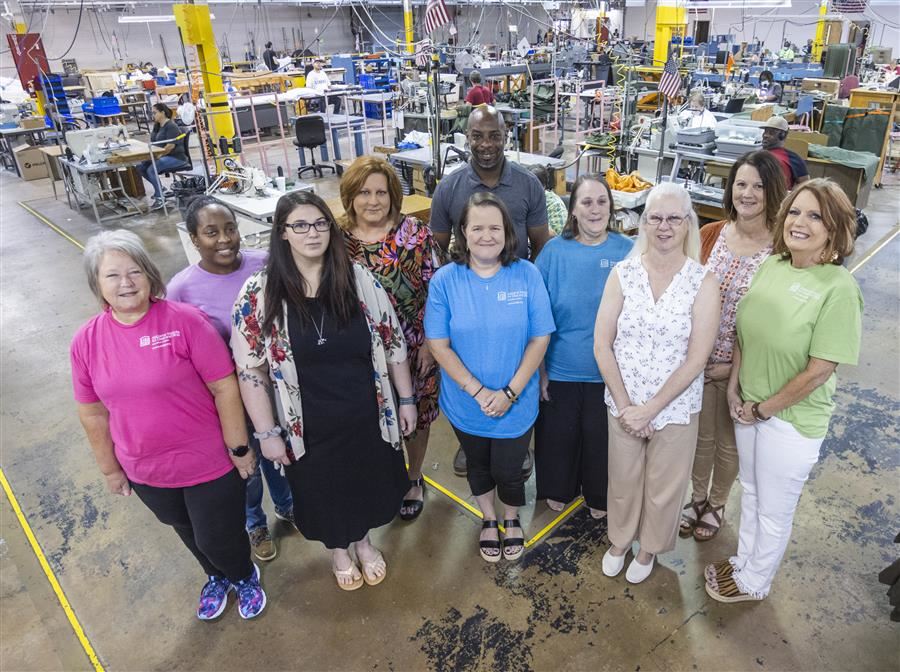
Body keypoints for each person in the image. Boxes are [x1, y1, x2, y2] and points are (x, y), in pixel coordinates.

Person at [70, 230, 266, 621]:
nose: (126, 283)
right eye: (112, 275)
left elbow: (224, 387)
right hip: (146, 468)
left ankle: (244, 575)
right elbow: (92, 412)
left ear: (149, 274)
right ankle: (215, 575)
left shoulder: (185, 321)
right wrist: (110, 469)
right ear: (97, 283)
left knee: (216, 533)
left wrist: (239, 448)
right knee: (185, 529)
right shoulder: (86, 342)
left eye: (134, 271)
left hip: (207, 461)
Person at [232, 191, 416, 591]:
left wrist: (405, 400)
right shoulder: (259, 293)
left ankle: (364, 543)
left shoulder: (357, 279)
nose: (312, 233)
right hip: (307, 425)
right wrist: (266, 433)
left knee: (365, 482)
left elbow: (393, 342)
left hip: (366, 414)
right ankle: (338, 550)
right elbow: (250, 371)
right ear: (283, 233)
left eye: (320, 224)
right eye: (300, 225)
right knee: (323, 490)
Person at [705, 178, 862, 603]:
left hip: (789, 420)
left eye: (815, 216)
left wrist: (761, 410)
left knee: (774, 508)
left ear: (834, 229)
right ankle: (744, 562)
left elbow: (819, 371)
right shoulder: (773, 265)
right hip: (749, 407)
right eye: (795, 211)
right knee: (752, 493)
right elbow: (744, 332)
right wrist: (735, 391)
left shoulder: (838, 288)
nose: (800, 222)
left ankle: (756, 581)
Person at [593, 182, 720, 584]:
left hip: (675, 408)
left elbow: (697, 358)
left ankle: (648, 550)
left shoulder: (703, 282)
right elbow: (601, 344)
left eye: (673, 219)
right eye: (655, 218)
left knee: (664, 488)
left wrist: (651, 409)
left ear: (687, 224)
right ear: (643, 223)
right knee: (623, 480)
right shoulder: (623, 274)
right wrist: (628, 405)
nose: (664, 227)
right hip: (623, 403)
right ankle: (619, 541)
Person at [426, 193, 555, 563]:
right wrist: (479, 391)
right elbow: (438, 344)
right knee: (477, 464)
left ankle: (511, 516)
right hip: (466, 402)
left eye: (494, 227)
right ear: (462, 233)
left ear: (508, 232)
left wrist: (510, 393)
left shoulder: (526, 274)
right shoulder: (445, 281)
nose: (486, 235)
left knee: (509, 469)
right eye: (477, 227)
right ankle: (488, 516)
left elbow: (540, 337)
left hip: (517, 402)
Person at [167, 196, 295, 562]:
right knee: (248, 465)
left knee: (279, 452)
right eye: (211, 232)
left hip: (272, 386)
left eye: (230, 229)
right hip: (228, 398)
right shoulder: (182, 289)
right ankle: (254, 521)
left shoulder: (263, 264)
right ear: (194, 239)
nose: (224, 239)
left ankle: (287, 506)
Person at [430, 105, 551, 478]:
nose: (486, 144)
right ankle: (474, 440)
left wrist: (525, 287)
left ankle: (515, 443)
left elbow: (541, 245)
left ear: (505, 137)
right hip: (469, 295)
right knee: (472, 366)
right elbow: (436, 247)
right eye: (478, 135)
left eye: (494, 135)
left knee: (517, 370)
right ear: (467, 137)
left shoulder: (528, 185)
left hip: (514, 297)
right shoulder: (449, 187)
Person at [679, 151, 785, 542]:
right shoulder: (710, 235)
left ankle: (718, 503)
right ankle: (697, 497)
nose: (748, 193)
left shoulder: (780, 251)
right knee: (699, 438)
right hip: (696, 365)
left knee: (728, 442)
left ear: (773, 192)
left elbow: (773, 322)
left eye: (758, 186)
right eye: (741, 184)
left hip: (741, 369)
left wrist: (731, 370)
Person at [339, 156, 439, 522]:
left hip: (415, 344)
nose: (373, 200)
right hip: (361, 351)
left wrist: (431, 341)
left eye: (381, 191)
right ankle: (383, 476)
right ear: (350, 196)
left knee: (419, 415)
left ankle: (414, 477)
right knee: (372, 417)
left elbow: (437, 288)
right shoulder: (337, 242)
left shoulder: (414, 234)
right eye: (364, 192)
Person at [534, 176, 633, 518]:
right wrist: (540, 371)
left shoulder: (627, 251)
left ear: (611, 207)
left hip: (609, 374)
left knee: (600, 440)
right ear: (573, 209)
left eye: (601, 202)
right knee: (558, 438)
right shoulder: (553, 252)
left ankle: (598, 495)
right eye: (586, 202)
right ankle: (558, 487)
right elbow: (537, 316)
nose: (594, 209)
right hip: (560, 367)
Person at [138, 103, 189, 211]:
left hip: (176, 157)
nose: (153, 115)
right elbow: (154, 142)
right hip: (161, 156)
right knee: (140, 166)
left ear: (163, 113)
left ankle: (160, 197)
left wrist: (159, 155)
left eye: (155, 112)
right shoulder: (157, 126)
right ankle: (161, 189)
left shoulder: (171, 126)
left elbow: (170, 146)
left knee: (152, 169)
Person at [761, 116, 809, 190]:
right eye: (765, 131)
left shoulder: (793, 158)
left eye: (771, 132)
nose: (765, 135)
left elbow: (805, 184)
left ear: (783, 135)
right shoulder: (757, 156)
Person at [527, 164, 568, 235]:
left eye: (531, 187)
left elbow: (558, 236)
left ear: (543, 186)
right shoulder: (525, 200)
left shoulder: (554, 205)